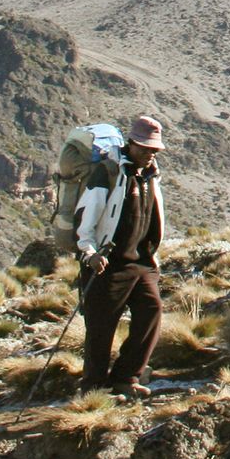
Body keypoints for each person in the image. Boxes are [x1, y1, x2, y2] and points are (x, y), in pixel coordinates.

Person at [75, 115, 168, 398]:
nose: (150, 153)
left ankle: (126, 377)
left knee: (151, 312)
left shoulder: (151, 175)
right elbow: (85, 217)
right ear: (131, 143)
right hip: (107, 263)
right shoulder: (109, 173)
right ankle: (93, 389)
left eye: (154, 149)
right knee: (101, 327)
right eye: (145, 148)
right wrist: (89, 253)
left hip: (142, 262)